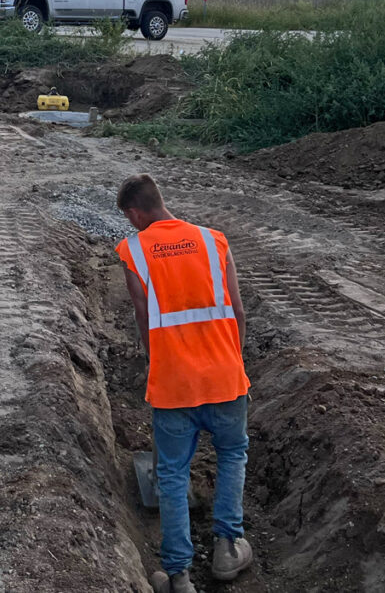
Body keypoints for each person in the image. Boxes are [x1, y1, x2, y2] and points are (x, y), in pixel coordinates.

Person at [114, 174, 253, 593]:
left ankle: (179, 576)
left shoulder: (134, 250)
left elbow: (143, 317)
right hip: (225, 375)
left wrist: (155, 363)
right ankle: (228, 547)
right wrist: (233, 360)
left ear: (136, 212)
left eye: (129, 218)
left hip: (175, 383)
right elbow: (239, 311)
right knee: (232, 454)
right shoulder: (215, 241)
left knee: (172, 474)